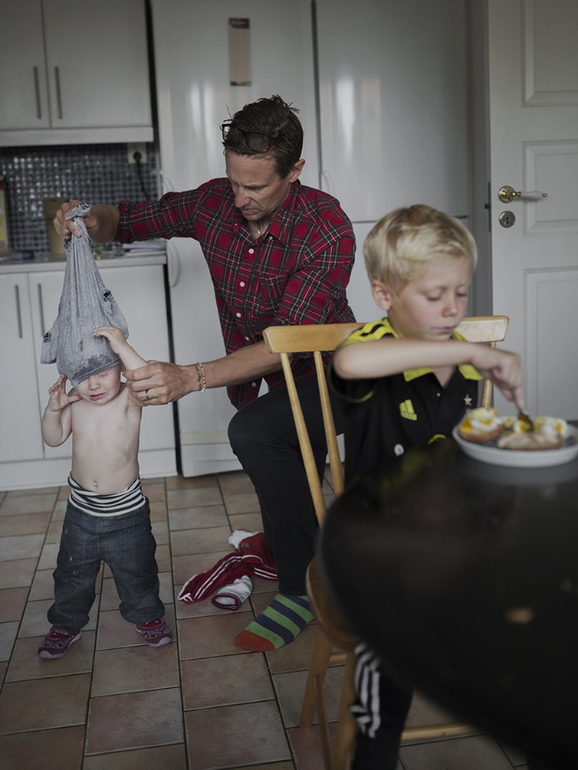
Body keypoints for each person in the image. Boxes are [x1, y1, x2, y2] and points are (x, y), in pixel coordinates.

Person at [53, 95, 356, 652]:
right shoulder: (214, 203)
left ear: (294, 170)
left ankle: (299, 590)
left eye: (255, 187)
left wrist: (191, 377)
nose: (239, 199)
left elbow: (285, 341)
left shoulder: (326, 226)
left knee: (256, 434)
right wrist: (91, 221)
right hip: (271, 382)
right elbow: (131, 220)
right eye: (233, 181)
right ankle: (296, 559)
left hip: (333, 375)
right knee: (279, 463)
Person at [328, 204, 523, 769]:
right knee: (391, 646)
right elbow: (351, 362)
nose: (453, 309)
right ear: (384, 295)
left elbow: (469, 449)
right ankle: (376, 744)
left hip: (452, 537)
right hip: (379, 545)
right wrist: (469, 348)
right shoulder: (376, 345)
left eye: (460, 293)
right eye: (435, 295)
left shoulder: (465, 368)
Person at [38, 326, 173, 659]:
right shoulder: (76, 403)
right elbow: (53, 438)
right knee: (72, 575)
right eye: (83, 376)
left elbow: (145, 377)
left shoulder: (130, 398)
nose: (93, 384)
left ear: (121, 370)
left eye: (102, 372)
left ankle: (147, 615)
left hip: (127, 517)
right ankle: (66, 623)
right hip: (81, 516)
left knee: (137, 571)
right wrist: (53, 409)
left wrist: (122, 345)